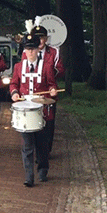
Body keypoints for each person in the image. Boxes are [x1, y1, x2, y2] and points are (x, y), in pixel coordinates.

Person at [10, 33, 58, 187]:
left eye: (33, 49)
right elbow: (13, 84)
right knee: (27, 145)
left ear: (38, 49)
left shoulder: (47, 66)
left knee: (42, 144)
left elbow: (52, 84)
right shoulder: (18, 67)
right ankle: (29, 176)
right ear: (24, 50)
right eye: (27, 49)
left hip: (41, 111)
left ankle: (43, 169)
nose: (30, 52)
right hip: (25, 112)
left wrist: (52, 90)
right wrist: (15, 93)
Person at [27, 17, 65, 155]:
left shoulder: (54, 52)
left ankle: (46, 150)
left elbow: (60, 70)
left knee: (48, 124)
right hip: (32, 94)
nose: (40, 41)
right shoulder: (28, 51)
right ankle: (37, 150)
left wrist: (47, 73)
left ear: (46, 39)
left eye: (42, 37)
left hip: (49, 93)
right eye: (37, 38)